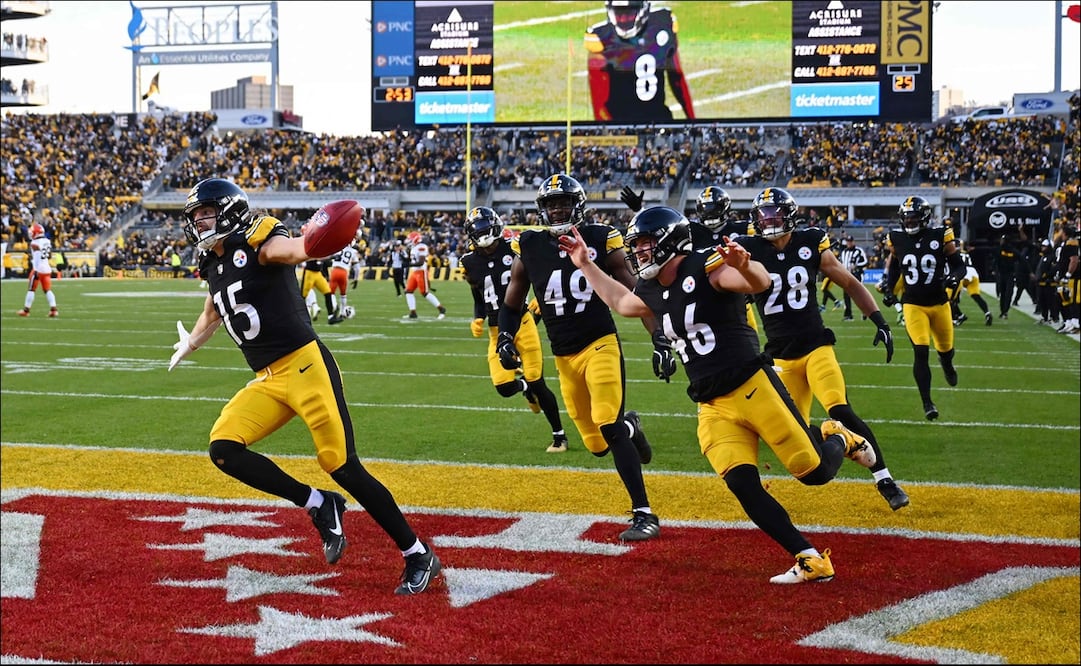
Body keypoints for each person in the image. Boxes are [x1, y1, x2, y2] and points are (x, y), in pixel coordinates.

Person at [558, 206, 877, 583]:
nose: (639, 253)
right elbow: (622, 303)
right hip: (711, 404)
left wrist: (744, 265)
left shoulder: (705, 266)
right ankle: (808, 557)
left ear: (668, 242)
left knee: (814, 473)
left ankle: (837, 435)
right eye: (637, 246)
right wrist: (585, 265)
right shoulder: (651, 287)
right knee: (742, 484)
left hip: (752, 386)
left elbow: (758, 283)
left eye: (644, 245)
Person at [166, 178, 440, 595]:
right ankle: (319, 504)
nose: (200, 222)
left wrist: (319, 236)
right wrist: (190, 342)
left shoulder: (259, 239)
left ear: (229, 210)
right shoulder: (212, 263)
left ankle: (417, 553)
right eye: (195, 216)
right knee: (224, 448)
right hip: (268, 379)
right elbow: (213, 310)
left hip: (305, 367)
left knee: (342, 465)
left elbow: (294, 249)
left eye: (206, 212)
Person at [496, 173, 664, 541]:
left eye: (563, 203)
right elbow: (512, 301)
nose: (557, 209)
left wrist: (659, 338)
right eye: (550, 204)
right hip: (563, 355)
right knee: (597, 444)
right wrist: (505, 337)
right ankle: (631, 427)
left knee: (607, 421)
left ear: (578, 206)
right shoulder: (529, 244)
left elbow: (635, 292)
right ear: (541, 210)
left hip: (599, 343)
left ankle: (644, 513)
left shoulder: (602, 238)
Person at [737, 188, 909, 511]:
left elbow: (850, 282)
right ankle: (838, 438)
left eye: (774, 213)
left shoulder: (811, 242)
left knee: (839, 408)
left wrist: (880, 321)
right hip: (780, 357)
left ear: (789, 214)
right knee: (799, 439)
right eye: (763, 215)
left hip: (816, 346)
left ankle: (884, 479)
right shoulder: (750, 249)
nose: (769, 220)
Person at [460, 206, 570, 453]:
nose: (484, 235)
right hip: (496, 330)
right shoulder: (469, 261)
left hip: (523, 322)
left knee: (537, 380)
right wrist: (478, 317)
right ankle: (525, 389)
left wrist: (541, 298)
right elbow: (478, 294)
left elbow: (541, 272)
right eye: (478, 230)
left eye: (486, 228)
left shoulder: (515, 247)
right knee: (502, 386)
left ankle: (559, 435)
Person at [881, 195, 966, 421]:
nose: (909, 222)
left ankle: (947, 364)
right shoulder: (896, 239)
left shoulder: (940, 235)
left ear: (925, 217)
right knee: (920, 350)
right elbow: (895, 269)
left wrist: (954, 278)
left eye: (914, 218)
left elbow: (959, 266)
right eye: (906, 218)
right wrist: (890, 289)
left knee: (946, 350)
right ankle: (927, 402)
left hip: (939, 303)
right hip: (913, 304)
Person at [584, 0, 694, 122]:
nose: (623, 19)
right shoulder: (601, 38)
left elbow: (677, 78)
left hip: (659, 119)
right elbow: (599, 105)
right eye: (619, 13)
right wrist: (613, 135)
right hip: (620, 123)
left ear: (643, 9)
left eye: (629, 13)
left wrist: (693, 121)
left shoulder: (663, 24)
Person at [947, 238, 993, 327]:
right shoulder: (965, 253)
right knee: (976, 295)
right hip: (973, 273)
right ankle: (987, 313)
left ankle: (958, 317)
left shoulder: (953, 254)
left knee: (949, 299)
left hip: (962, 273)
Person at [16, 222, 58, 318]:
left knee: (31, 290)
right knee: (47, 290)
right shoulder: (47, 241)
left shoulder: (34, 243)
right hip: (47, 269)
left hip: (38, 269)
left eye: (32, 232)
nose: (31, 233)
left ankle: (26, 310)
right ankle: (54, 310)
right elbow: (50, 255)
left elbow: (35, 250)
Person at [403, 231, 446, 320]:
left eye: (410, 239)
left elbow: (421, 262)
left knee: (424, 292)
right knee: (408, 291)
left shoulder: (421, 247)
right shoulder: (414, 247)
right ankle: (413, 313)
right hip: (414, 272)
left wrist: (408, 264)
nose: (409, 241)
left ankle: (441, 309)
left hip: (421, 272)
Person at [327, 234, 362, 324]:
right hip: (344, 272)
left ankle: (334, 306)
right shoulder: (353, 251)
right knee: (343, 294)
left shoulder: (337, 248)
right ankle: (342, 312)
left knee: (331, 292)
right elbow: (357, 268)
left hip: (335, 271)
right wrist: (356, 279)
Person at [1054, 219, 1079, 334]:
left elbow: (1074, 260)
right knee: (1062, 299)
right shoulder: (1065, 244)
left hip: (1072, 277)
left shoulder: (1072, 243)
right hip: (1064, 276)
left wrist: (1068, 274)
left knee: (1071, 299)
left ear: (1065, 234)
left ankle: (1075, 323)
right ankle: (1068, 322)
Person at [837, 235, 868, 321]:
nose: (849, 243)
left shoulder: (859, 251)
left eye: (850, 241)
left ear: (853, 242)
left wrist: (857, 266)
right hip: (846, 275)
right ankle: (848, 315)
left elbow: (865, 261)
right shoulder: (843, 252)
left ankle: (865, 311)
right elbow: (840, 263)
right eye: (848, 241)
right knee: (846, 295)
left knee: (860, 295)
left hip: (856, 275)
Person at [301, 256, 335, 323]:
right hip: (309, 273)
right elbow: (317, 257)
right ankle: (297, 316)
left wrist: (330, 259)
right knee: (302, 296)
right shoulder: (313, 247)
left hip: (318, 273)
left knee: (328, 292)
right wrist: (332, 257)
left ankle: (331, 317)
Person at [994, 234, 1018, 320]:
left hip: (1009, 275)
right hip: (1002, 274)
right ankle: (1002, 311)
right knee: (1003, 293)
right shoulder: (999, 249)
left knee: (1008, 293)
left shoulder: (1012, 250)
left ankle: (1005, 311)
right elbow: (996, 260)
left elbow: (1020, 258)